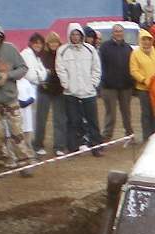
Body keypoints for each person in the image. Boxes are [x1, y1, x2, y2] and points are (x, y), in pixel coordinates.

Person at [0, 21, 38, 170]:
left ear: (2, 36)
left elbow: (23, 68)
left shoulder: (11, 49)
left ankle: (23, 159)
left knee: (17, 131)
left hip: (10, 98)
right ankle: (3, 159)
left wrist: (8, 75)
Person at [56, 23, 103, 156]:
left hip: (89, 92)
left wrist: (93, 83)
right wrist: (66, 84)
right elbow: (60, 69)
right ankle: (73, 147)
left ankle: (96, 147)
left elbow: (96, 68)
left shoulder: (90, 49)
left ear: (82, 35)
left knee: (93, 121)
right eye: (73, 34)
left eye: (78, 34)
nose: (75, 37)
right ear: (69, 35)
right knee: (73, 121)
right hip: (71, 93)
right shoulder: (63, 50)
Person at [99, 23, 133, 142]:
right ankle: (107, 136)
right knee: (111, 114)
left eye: (120, 31)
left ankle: (129, 135)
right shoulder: (104, 47)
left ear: (123, 33)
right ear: (112, 33)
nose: (118, 33)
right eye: (116, 31)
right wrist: (103, 81)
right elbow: (100, 66)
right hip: (109, 87)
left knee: (127, 113)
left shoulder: (128, 48)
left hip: (126, 86)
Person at [35, 31, 67, 156]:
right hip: (44, 90)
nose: (54, 44)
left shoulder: (63, 54)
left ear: (59, 43)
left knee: (59, 119)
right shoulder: (42, 55)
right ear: (47, 43)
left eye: (56, 42)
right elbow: (38, 71)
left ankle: (59, 146)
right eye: (51, 42)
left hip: (59, 90)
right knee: (41, 119)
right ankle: (37, 144)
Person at [130, 27, 155, 141]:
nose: (146, 42)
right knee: (146, 114)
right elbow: (133, 70)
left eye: (149, 39)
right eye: (144, 39)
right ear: (140, 40)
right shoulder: (135, 53)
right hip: (143, 88)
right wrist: (144, 80)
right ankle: (146, 137)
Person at [20, 32, 48, 155]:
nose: (38, 45)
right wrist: (40, 74)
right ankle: (26, 148)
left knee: (31, 120)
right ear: (31, 43)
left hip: (33, 91)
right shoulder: (26, 54)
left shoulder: (36, 57)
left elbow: (43, 74)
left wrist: (40, 74)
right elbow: (31, 75)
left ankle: (29, 146)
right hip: (25, 92)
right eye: (36, 43)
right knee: (26, 121)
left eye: (40, 43)